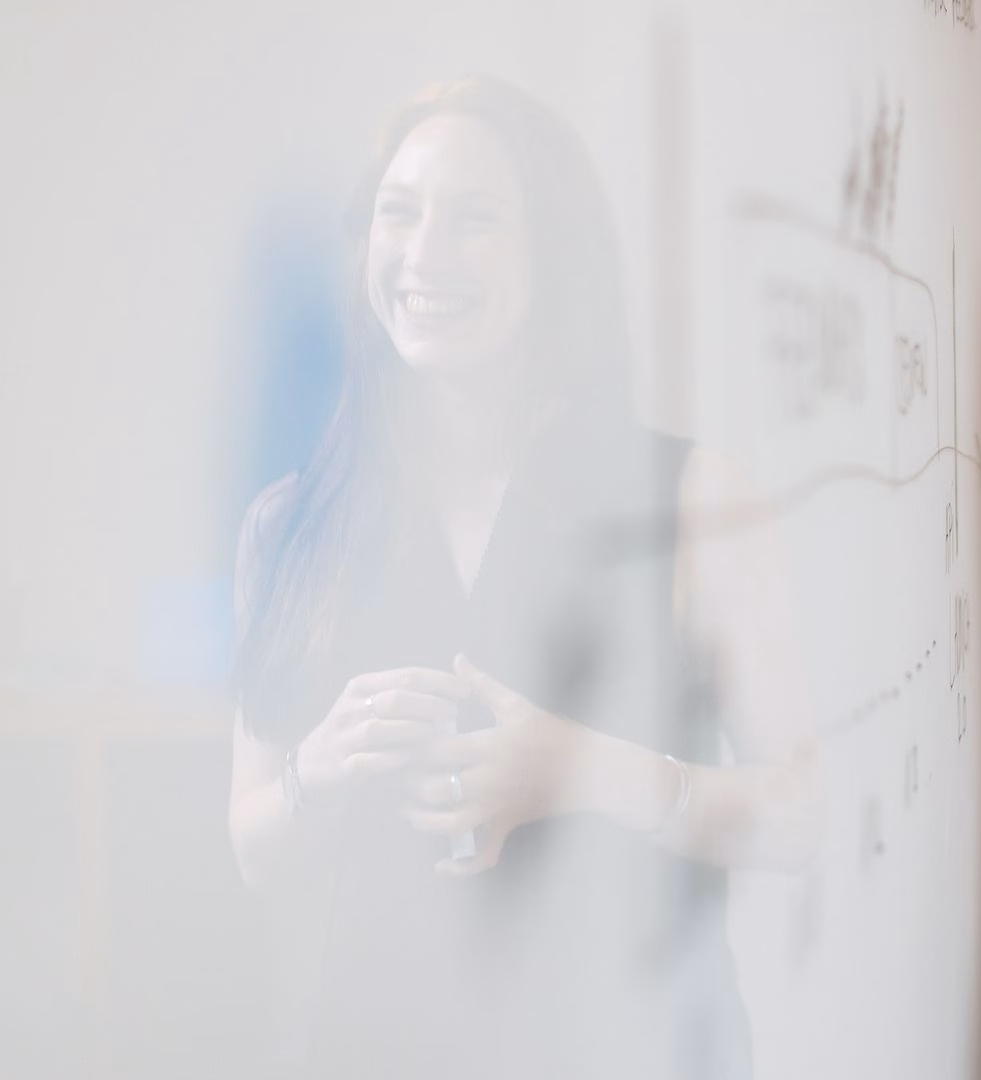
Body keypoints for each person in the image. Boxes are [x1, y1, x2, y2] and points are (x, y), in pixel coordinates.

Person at [226, 76, 817, 1079]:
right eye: (398, 215)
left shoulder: (694, 501)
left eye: (476, 221)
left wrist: (587, 772)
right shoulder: (291, 526)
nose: (423, 257)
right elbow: (253, 848)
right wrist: (317, 767)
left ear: (556, 253)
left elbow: (809, 815)